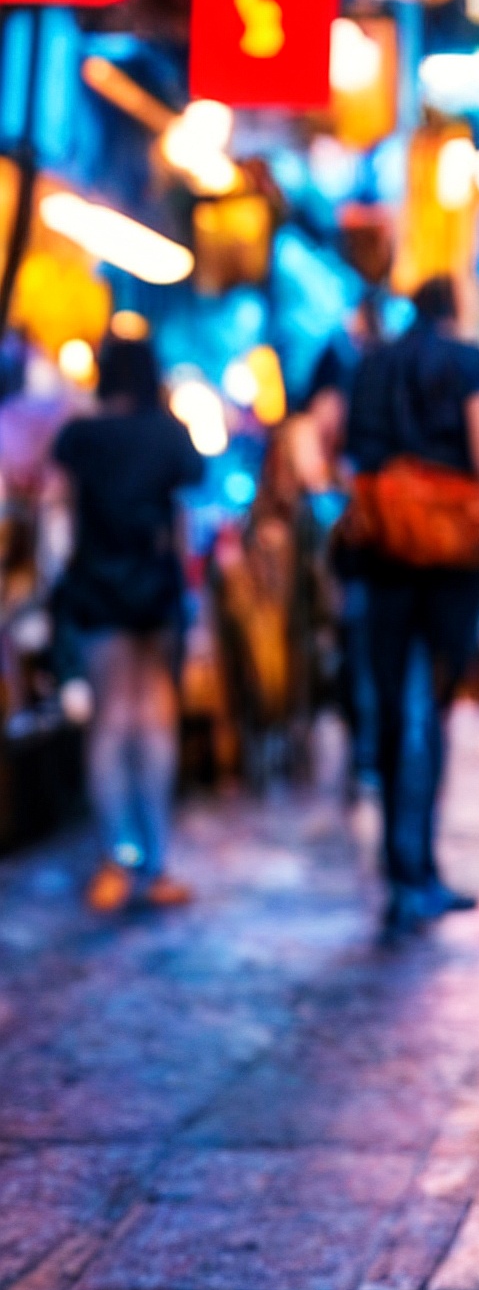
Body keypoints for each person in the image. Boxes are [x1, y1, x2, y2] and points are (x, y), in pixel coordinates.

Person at [343, 275, 479, 931]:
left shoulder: (372, 365)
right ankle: (423, 869)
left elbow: (343, 447)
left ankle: (395, 862)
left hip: (383, 549)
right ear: (455, 311)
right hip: (450, 557)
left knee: (386, 701)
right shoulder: (470, 363)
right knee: (434, 705)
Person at [49, 330, 201, 913]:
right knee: (156, 717)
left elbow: (58, 514)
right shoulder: (169, 434)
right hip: (155, 587)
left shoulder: (80, 437)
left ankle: (118, 856)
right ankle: (158, 862)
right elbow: (186, 509)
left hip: (98, 587)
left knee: (110, 721)